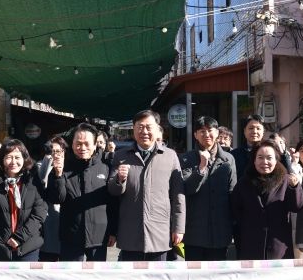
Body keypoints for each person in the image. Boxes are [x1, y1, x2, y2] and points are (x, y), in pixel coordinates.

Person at [108, 110, 185, 261]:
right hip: (130, 232)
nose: (144, 132)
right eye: (140, 127)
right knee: (131, 275)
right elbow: (113, 191)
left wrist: (178, 228)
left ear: (157, 129)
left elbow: (178, 195)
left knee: (159, 275)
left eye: (149, 127)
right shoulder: (121, 155)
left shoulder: (170, 156)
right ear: (134, 129)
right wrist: (119, 179)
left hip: (160, 232)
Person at [47, 123, 116, 261]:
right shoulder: (62, 166)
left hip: (99, 236)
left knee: (96, 274)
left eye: (86, 144)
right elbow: (56, 199)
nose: (82, 148)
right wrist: (58, 175)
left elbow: (113, 202)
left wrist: (113, 231)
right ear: (72, 145)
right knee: (71, 274)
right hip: (70, 236)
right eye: (78, 144)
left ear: (95, 145)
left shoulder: (106, 166)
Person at [231, 140, 303, 259]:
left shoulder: (286, 180)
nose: (264, 162)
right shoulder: (243, 183)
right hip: (251, 246)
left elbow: (297, 206)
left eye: (269, 158)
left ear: (276, 160)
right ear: (254, 160)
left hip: (278, 247)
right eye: (260, 157)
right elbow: (236, 210)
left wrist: (295, 187)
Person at [179, 117, 237, 261]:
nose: (206, 134)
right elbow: (187, 189)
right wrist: (201, 168)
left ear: (217, 133)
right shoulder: (186, 159)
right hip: (194, 232)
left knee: (218, 272)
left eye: (210, 130)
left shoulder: (228, 159)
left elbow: (232, 192)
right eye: (202, 131)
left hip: (220, 231)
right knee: (194, 272)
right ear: (195, 135)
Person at [0, 139, 47, 261]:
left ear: (24, 159)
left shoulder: (33, 180)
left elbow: (39, 214)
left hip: (28, 247)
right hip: (1, 247)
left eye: (17, 157)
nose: (13, 162)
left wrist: (19, 237)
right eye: (9, 157)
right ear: (2, 159)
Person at [37, 136, 68, 261]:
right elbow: (41, 181)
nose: (56, 154)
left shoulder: (70, 166)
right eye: (52, 151)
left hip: (66, 219)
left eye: (58, 151)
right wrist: (49, 163)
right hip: (49, 220)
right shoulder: (42, 165)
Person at [231, 114, 265, 179]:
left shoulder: (271, 152)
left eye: (258, 128)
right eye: (251, 128)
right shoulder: (234, 155)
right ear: (244, 131)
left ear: (263, 132)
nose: (254, 131)